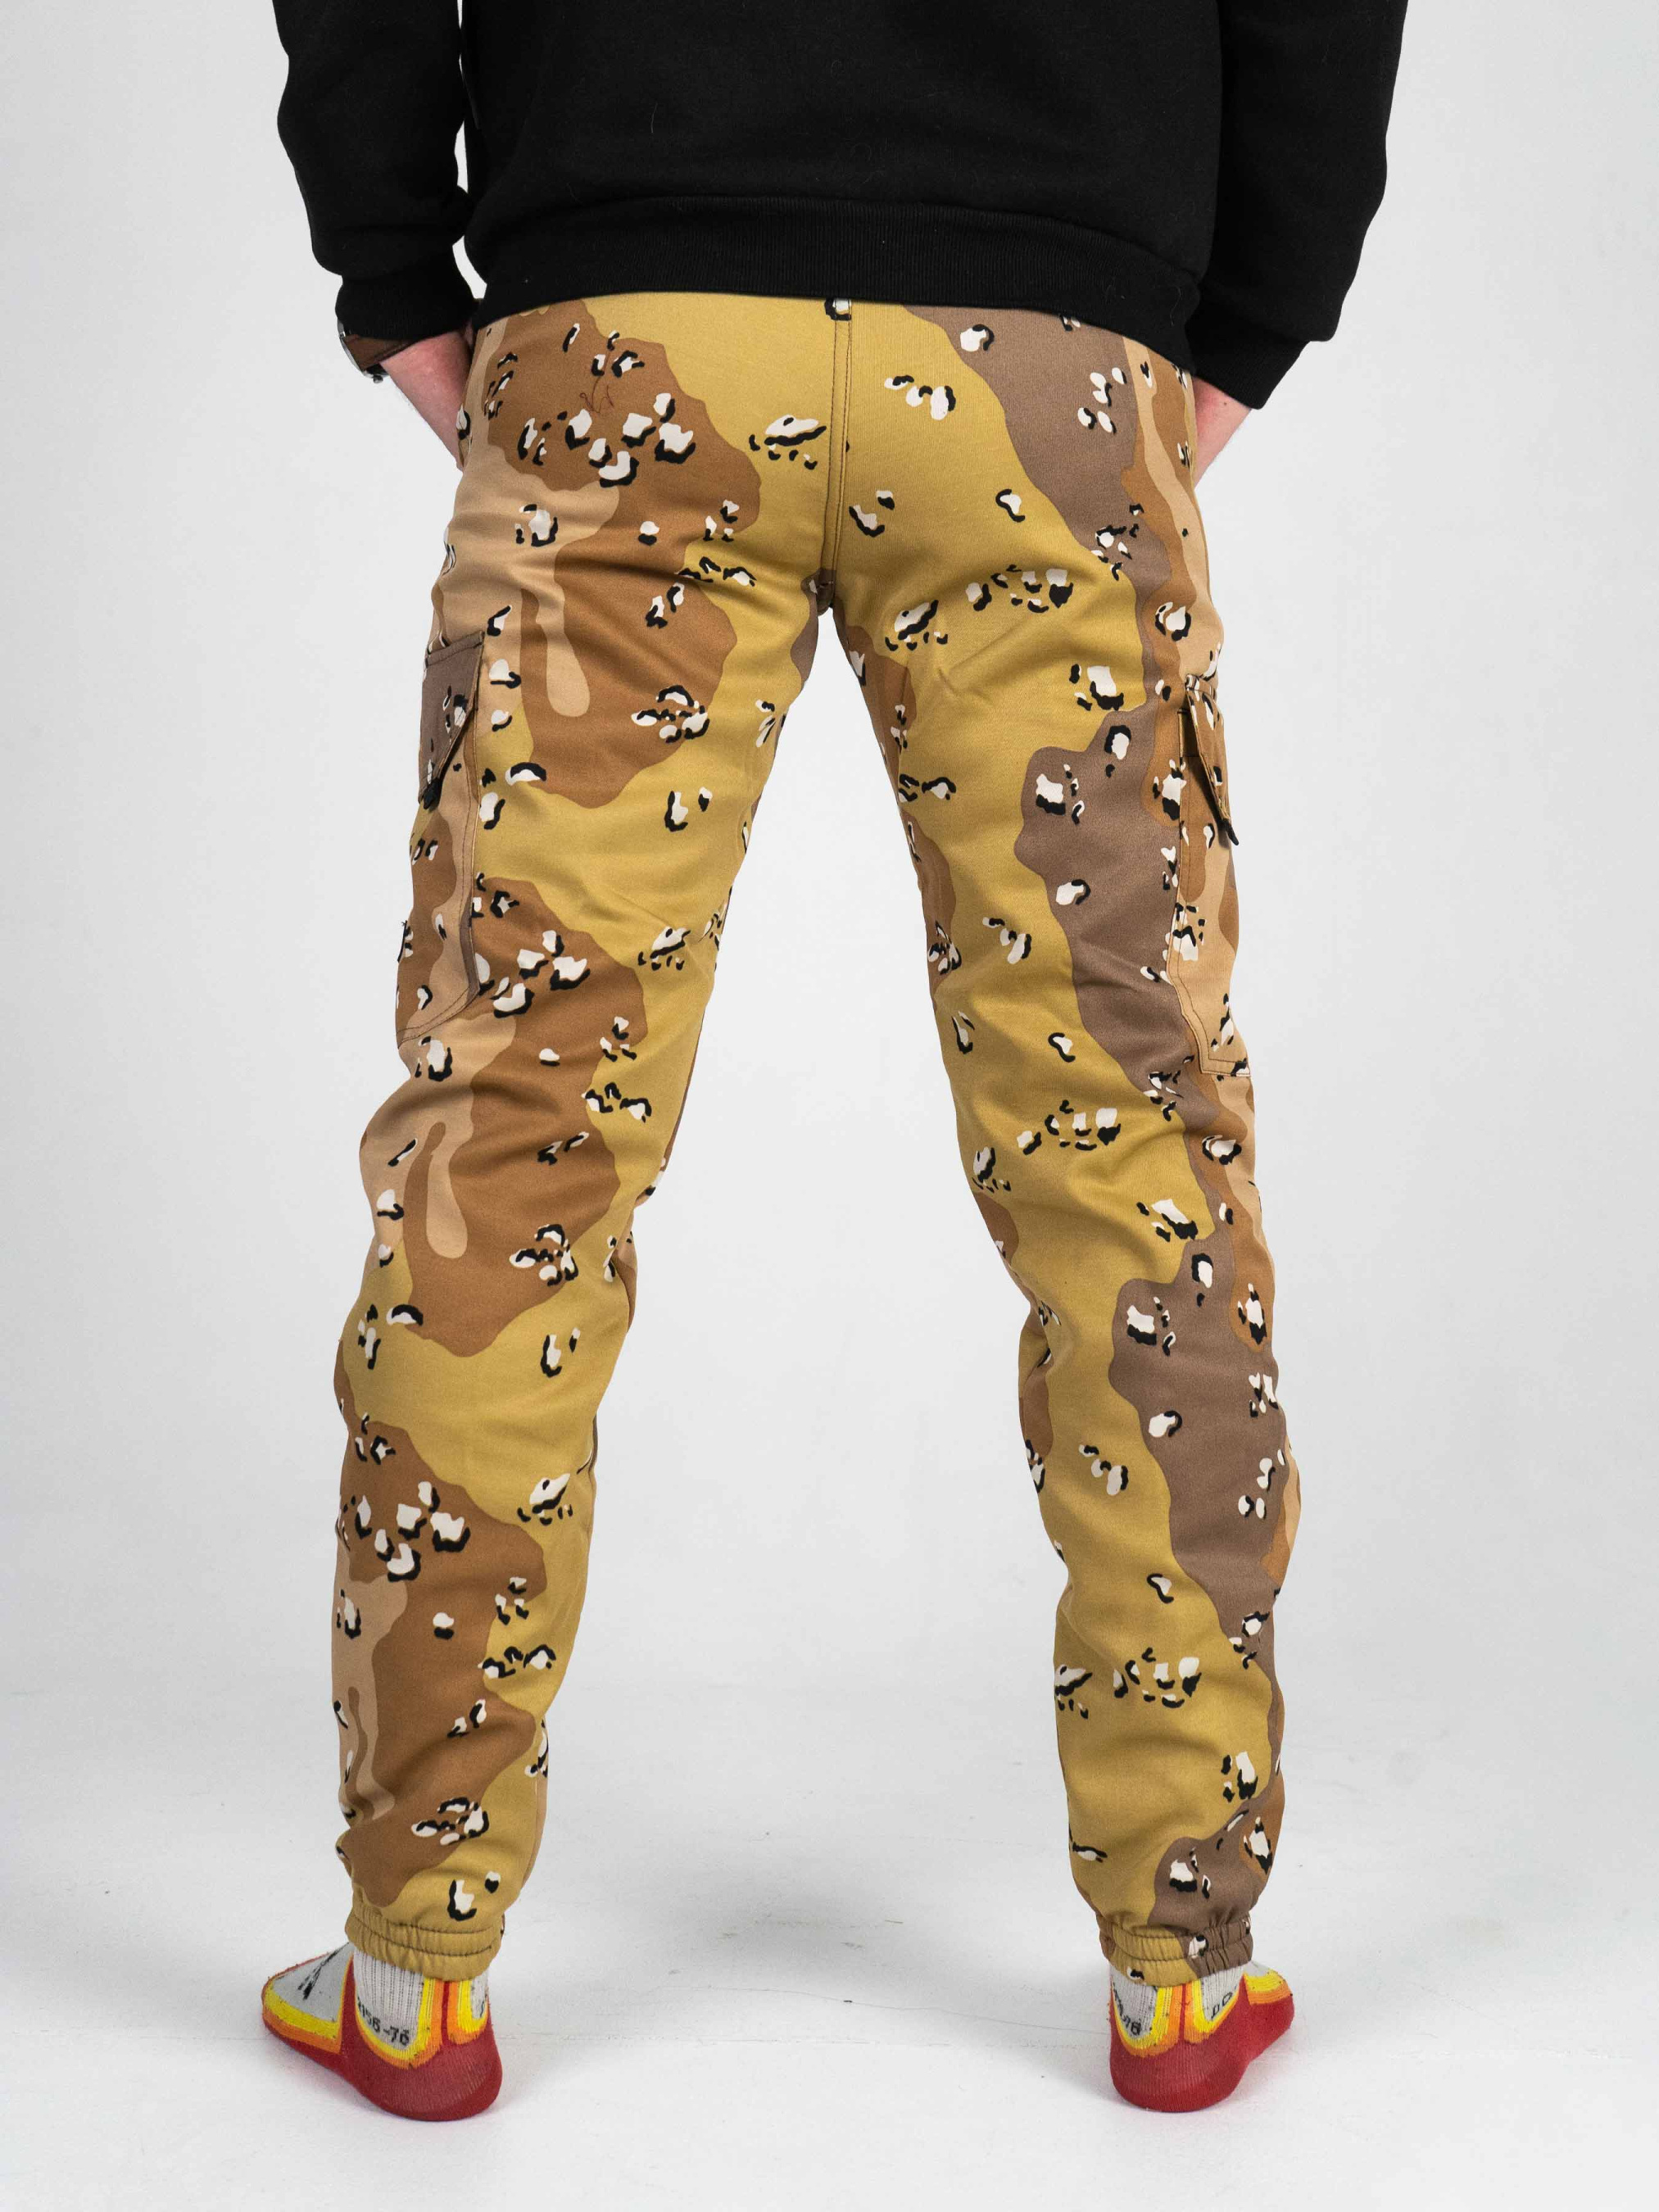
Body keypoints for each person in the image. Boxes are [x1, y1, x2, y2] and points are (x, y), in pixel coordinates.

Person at [261, 0, 1407, 2119]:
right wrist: (1247, 300)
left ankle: (413, 1966)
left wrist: (394, 254)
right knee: (1127, 1147)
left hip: (628, 323)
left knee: (514, 1144)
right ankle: (1182, 1967)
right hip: (1051, 343)